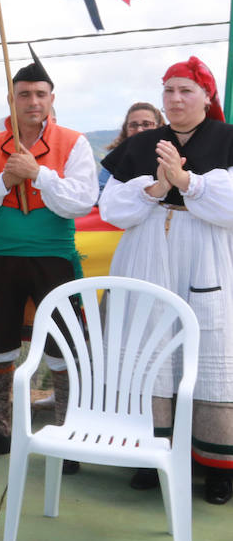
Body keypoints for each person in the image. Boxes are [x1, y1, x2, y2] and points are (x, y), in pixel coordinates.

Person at [0, 48, 98, 467]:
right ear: (11, 99)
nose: (33, 102)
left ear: (52, 98)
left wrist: (39, 174)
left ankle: (66, 432)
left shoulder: (74, 142)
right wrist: (5, 179)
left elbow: (82, 201)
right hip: (1, 257)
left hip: (54, 257)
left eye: (40, 94)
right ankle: (2, 429)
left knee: (63, 345)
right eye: (24, 94)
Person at [100, 58, 233, 504]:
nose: (175, 99)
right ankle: (147, 454)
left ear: (207, 97)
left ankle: (216, 465)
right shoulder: (143, 143)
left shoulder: (228, 139)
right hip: (146, 253)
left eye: (187, 91)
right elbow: (112, 209)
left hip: (206, 256)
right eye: (169, 90)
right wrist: (157, 188)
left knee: (210, 350)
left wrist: (187, 181)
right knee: (148, 345)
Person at [98, 102, 164, 192]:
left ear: (158, 126)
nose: (139, 130)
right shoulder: (114, 158)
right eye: (133, 125)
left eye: (146, 124)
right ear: (126, 129)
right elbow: (101, 191)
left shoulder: (169, 156)